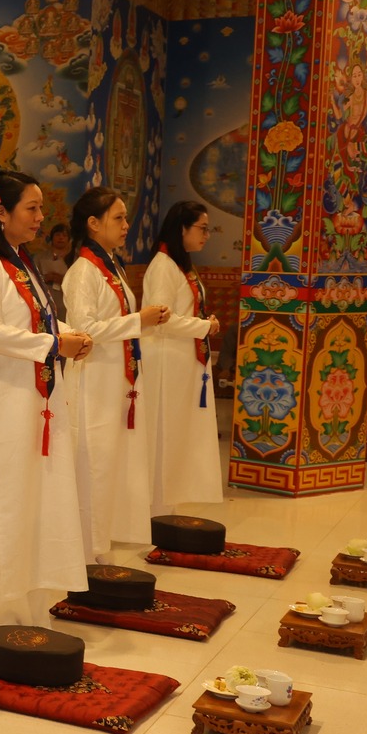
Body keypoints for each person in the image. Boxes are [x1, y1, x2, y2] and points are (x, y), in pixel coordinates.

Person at [0, 169, 93, 629]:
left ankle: (30, 602)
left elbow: (37, 323)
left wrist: (70, 335)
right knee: (4, 499)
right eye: (31, 208)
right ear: (1, 212)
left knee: (33, 497)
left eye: (40, 209)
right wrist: (54, 345)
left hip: (34, 402)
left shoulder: (20, 263)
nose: (39, 217)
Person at [63, 188, 166, 559]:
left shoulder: (110, 267)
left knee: (110, 462)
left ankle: (99, 542)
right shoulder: (82, 272)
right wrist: (139, 320)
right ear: (93, 223)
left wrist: (141, 321)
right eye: (118, 218)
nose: (126, 225)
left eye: (126, 217)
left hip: (116, 380)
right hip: (94, 380)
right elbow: (83, 329)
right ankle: (83, 549)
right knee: (94, 462)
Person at [143, 201, 224, 513]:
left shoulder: (179, 264)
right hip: (165, 361)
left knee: (177, 435)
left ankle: (167, 507)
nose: (206, 235)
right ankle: (156, 510)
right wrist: (203, 326)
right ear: (182, 229)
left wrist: (202, 323)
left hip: (181, 359)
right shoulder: (163, 265)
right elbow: (160, 318)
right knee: (165, 434)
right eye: (202, 228)